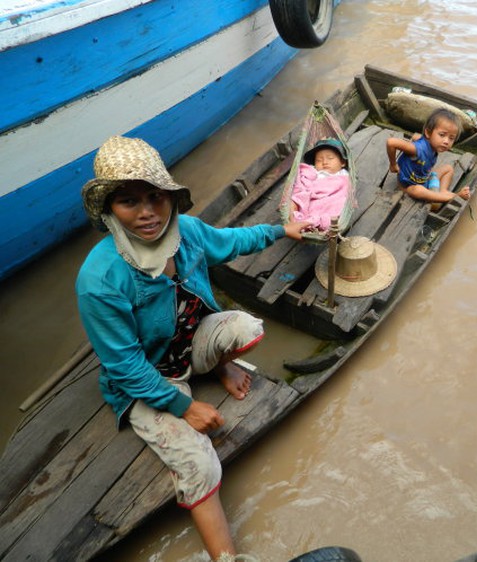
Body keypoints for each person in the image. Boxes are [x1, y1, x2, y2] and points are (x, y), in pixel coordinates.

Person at [75, 136, 309, 561]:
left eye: (155, 197)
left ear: (170, 198)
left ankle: (219, 367)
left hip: (186, 345)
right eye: (129, 202)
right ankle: (226, 559)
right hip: (145, 379)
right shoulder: (101, 279)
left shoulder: (188, 232)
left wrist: (281, 230)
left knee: (245, 326)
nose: (147, 212)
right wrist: (184, 408)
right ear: (110, 209)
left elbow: (232, 241)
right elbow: (124, 364)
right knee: (199, 464)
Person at [386, 108, 471, 204]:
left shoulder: (432, 145)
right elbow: (391, 142)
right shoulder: (417, 149)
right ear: (428, 133)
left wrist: (414, 138)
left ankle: (443, 191)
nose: (446, 141)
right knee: (418, 190)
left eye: (451, 138)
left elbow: (416, 137)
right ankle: (453, 197)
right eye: (442, 135)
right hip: (409, 186)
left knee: (449, 168)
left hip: (424, 179)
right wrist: (393, 164)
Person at [289, 138, 351, 230]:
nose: (325, 162)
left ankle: (320, 221)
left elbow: (345, 192)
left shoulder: (344, 176)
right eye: (318, 160)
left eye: (330, 158)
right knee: (296, 203)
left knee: (339, 204)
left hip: (334, 200)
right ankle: (310, 221)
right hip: (314, 201)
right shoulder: (312, 173)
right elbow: (302, 186)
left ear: (342, 162)